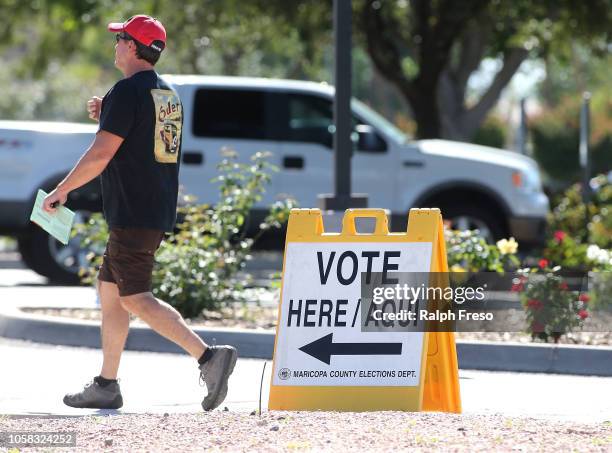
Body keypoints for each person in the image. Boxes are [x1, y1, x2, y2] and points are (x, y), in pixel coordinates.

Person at [42, 15, 237, 411]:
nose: (115, 45)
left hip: (132, 213)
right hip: (152, 209)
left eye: (120, 39)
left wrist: (62, 190)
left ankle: (209, 358)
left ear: (132, 47)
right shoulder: (165, 94)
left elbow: (101, 153)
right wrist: (108, 111)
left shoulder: (127, 93)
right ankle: (107, 384)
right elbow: (141, 134)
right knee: (112, 295)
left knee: (135, 298)